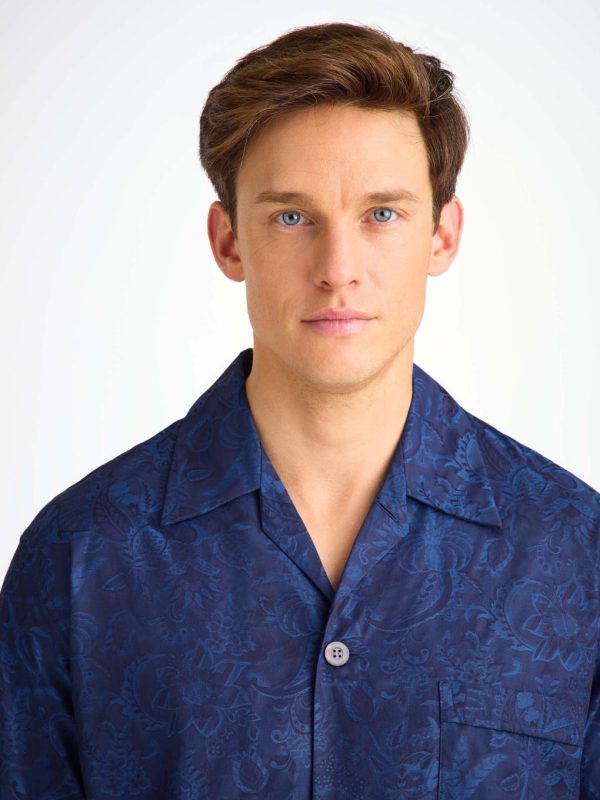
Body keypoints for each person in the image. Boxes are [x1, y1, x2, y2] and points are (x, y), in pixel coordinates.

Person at [1, 20, 598, 800]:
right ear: (229, 242)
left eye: (382, 214)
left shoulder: (573, 553)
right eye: (292, 217)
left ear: (443, 236)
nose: (337, 269)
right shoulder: (81, 556)